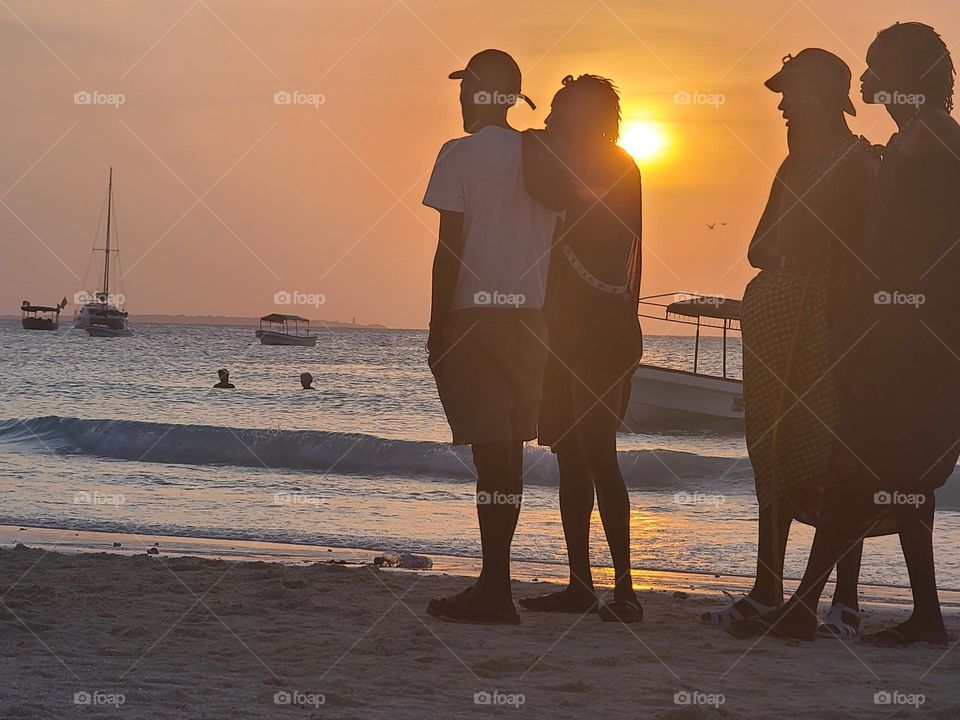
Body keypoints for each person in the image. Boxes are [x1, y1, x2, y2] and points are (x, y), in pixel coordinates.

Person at [731, 23, 960, 645]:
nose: (866, 82)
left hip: (914, 337)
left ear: (910, 74)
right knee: (899, 475)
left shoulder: (932, 140)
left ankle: (806, 606)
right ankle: (923, 616)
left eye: (875, 69)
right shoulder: (911, 140)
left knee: (858, 464)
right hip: (901, 330)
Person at [703, 49, 879, 638]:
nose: (781, 105)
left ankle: (843, 600)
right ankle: (766, 587)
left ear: (825, 95)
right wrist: (793, 256)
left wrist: (801, 259)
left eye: (791, 92)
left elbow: (857, 259)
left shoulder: (858, 162)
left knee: (835, 456)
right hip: (778, 325)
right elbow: (758, 247)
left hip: (831, 327)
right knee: (771, 453)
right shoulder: (792, 164)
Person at [421, 49, 560, 624]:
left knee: (491, 460)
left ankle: (495, 589)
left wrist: (436, 331)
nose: (458, 100)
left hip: (473, 321)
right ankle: (495, 583)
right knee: (508, 457)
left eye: (465, 91)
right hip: (533, 323)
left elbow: (448, 249)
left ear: (481, 94)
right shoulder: (542, 155)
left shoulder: (458, 155)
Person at [516, 75, 643, 622]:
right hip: (561, 330)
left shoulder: (614, 166)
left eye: (560, 109)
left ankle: (625, 591)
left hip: (601, 332)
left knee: (597, 454)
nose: (548, 117)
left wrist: (532, 143)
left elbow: (559, 196)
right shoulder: (580, 160)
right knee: (571, 454)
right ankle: (580, 584)